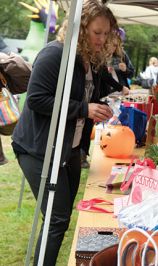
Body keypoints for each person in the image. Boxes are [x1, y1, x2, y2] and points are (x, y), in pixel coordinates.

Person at [11, 1, 116, 264]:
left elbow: (92, 93)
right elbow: (36, 99)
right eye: (97, 32)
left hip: (68, 147)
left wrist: (101, 106)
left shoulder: (88, 60)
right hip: (38, 147)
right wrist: (84, 109)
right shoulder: (54, 54)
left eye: (106, 33)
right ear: (80, 29)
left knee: (61, 216)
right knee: (57, 217)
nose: (102, 39)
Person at [80, 31, 132, 168]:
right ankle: (81, 154)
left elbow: (127, 72)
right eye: (111, 45)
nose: (112, 48)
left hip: (97, 98)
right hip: (95, 98)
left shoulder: (117, 57)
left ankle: (82, 153)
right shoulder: (95, 57)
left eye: (115, 45)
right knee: (86, 125)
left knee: (88, 125)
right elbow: (105, 76)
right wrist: (121, 87)